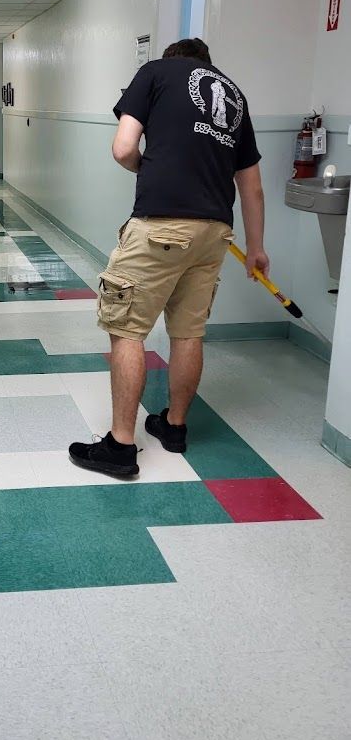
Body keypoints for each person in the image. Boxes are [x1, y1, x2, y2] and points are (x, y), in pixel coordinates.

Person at [69, 38, 269, 478]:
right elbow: (251, 185)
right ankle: (174, 427)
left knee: (126, 330)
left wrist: (149, 167)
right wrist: (255, 249)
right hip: (215, 232)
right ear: (207, 66)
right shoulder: (234, 94)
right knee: (187, 332)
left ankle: (120, 447)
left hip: (161, 227)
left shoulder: (155, 72)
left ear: (173, 59)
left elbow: (123, 148)